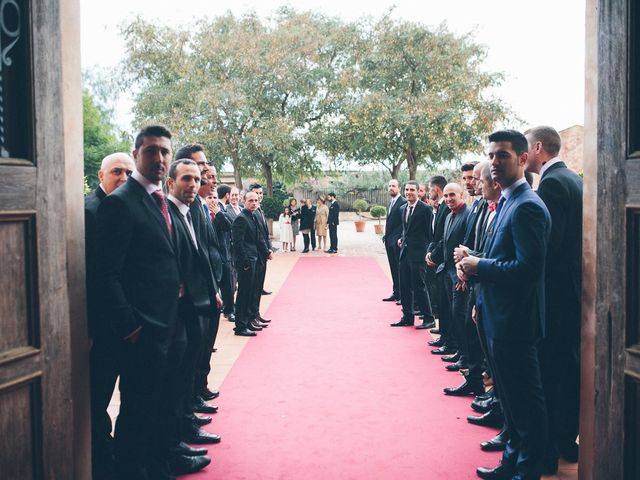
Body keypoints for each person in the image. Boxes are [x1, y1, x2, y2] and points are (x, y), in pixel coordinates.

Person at [457, 129, 551, 480]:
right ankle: (511, 462)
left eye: (503, 156)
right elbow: (503, 257)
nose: (494, 163)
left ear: (524, 159)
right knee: (510, 401)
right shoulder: (509, 201)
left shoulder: (527, 205)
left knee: (526, 403)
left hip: (516, 322)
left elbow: (528, 270)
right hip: (497, 316)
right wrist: (476, 258)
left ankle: (526, 472)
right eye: (492, 155)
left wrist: (479, 266)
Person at [95, 125, 181, 479]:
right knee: (136, 411)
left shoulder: (159, 199)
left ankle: (152, 466)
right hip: (140, 332)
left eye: (164, 151)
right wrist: (130, 326)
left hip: (167, 325)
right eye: (151, 151)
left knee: (157, 408)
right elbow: (106, 274)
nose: (159, 158)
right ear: (136, 154)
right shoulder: (120, 203)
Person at [525, 125, 583, 474]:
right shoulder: (574, 179)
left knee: (549, 373)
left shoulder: (552, 184)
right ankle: (565, 441)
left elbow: (549, 246)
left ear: (539, 147)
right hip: (572, 294)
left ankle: (548, 452)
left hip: (557, 297)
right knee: (567, 371)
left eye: (526, 147)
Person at [85, 152, 134, 480]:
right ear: (101, 175)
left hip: (122, 323)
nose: (124, 177)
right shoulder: (92, 211)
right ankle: (102, 462)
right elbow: (94, 274)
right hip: (102, 326)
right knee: (97, 399)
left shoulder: (123, 207)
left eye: (129, 172)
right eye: (117, 171)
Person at [165, 158, 216, 475]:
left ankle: (177, 442)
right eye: (188, 177)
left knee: (182, 380)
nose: (194, 184)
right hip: (171, 315)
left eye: (197, 179)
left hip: (192, 306)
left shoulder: (188, 210)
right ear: (171, 181)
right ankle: (171, 449)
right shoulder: (168, 213)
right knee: (168, 389)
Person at [390, 181, 435, 328]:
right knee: (404, 286)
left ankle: (429, 319)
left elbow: (430, 233)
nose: (409, 192)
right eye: (407, 189)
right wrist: (402, 239)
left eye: (412, 190)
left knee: (419, 286)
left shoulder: (426, 209)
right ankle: (407, 317)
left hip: (419, 254)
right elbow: (405, 229)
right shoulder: (403, 208)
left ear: (418, 192)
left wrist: (428, 251)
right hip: (405, 253)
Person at [231, 191, 264, 336]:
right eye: (251, 200)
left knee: (249, 294)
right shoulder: (241, 218)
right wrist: (245, 263)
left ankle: (248, 322)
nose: (254, 203)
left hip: (254, 260)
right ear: (243, 201)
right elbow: (238, 244)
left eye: (256, 200)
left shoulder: (252, 216)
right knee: (243, 295)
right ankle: (240, 326)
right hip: (246, 263)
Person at [249, 183, 274, 325]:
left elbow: (265, 234)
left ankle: (256, 314)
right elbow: (257, 237)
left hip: (263, 255)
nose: (259, 196)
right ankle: (252, 316)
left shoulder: (260, 210)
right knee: (253, 290)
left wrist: (269, 248)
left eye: (260, 193)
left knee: (258, 288)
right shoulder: (252, 212)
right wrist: (266, 250)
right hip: (256, 255)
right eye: (256, 193)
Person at [382, 179, 407, 302]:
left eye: (393, 186)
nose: (391, 188)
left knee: (400, 269)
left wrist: (399, 238)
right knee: (393, 267)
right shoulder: (390, 202)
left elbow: (403, 223)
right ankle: (396, 292)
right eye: (389, 186)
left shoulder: (403, 202)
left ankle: (403, 295)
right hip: (388, 240)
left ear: (399, 188)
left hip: (397, 242)